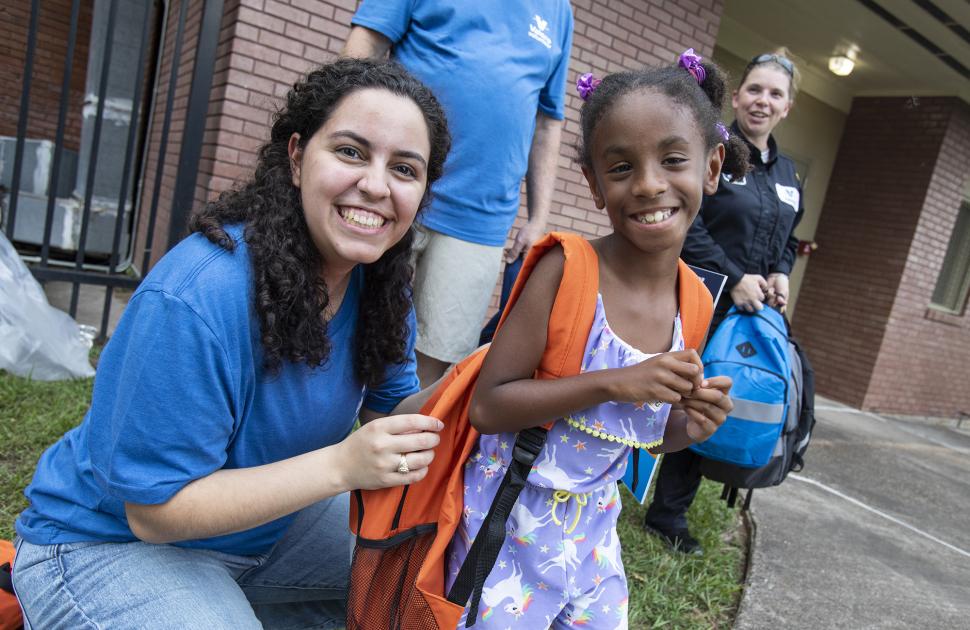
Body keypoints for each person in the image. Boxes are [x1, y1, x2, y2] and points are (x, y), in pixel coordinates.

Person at [12, 58, 451, 629]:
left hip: (260, 534)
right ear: (296, 157)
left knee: (424, 557)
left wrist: (485, 382)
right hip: (106, 544)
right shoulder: (199, 296)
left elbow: (394, 414)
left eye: (404, 169)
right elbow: (154, 513)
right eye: (350, 152)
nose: (375, 185)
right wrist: (342, 465)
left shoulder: (380, 289)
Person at [444, 51, 745, 629]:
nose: (650, 184)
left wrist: (691, 424)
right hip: (509, 518)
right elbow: (489, 405)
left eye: (674, 159)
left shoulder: (696, 303)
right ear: (594, 183)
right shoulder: (567, 271)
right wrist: (613, 380)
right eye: (622, 167)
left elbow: (646, 433)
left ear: (711, 168)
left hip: (594, 532)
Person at [341, 1, 573, 387]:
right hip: (391, 192)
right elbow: (365, 44)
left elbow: (548, 123)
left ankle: (393, 439)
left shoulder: (558, 11)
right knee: (343, 325)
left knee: (436, 356)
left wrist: (538, 217)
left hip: (480, 221)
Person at [643, 48, 804, 555]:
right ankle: (661, 509)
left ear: (787, 107)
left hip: (752, 310)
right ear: (736, 97)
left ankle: (679, 506)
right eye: (754, 89)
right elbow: (687, 219)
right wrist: (735, 277)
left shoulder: (790, 177)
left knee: (719, 397)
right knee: (690, 393)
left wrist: (780, 273)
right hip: (702, 295)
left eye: (774, 93)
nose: (762, 100)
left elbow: (789, 238)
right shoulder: (710, 147)